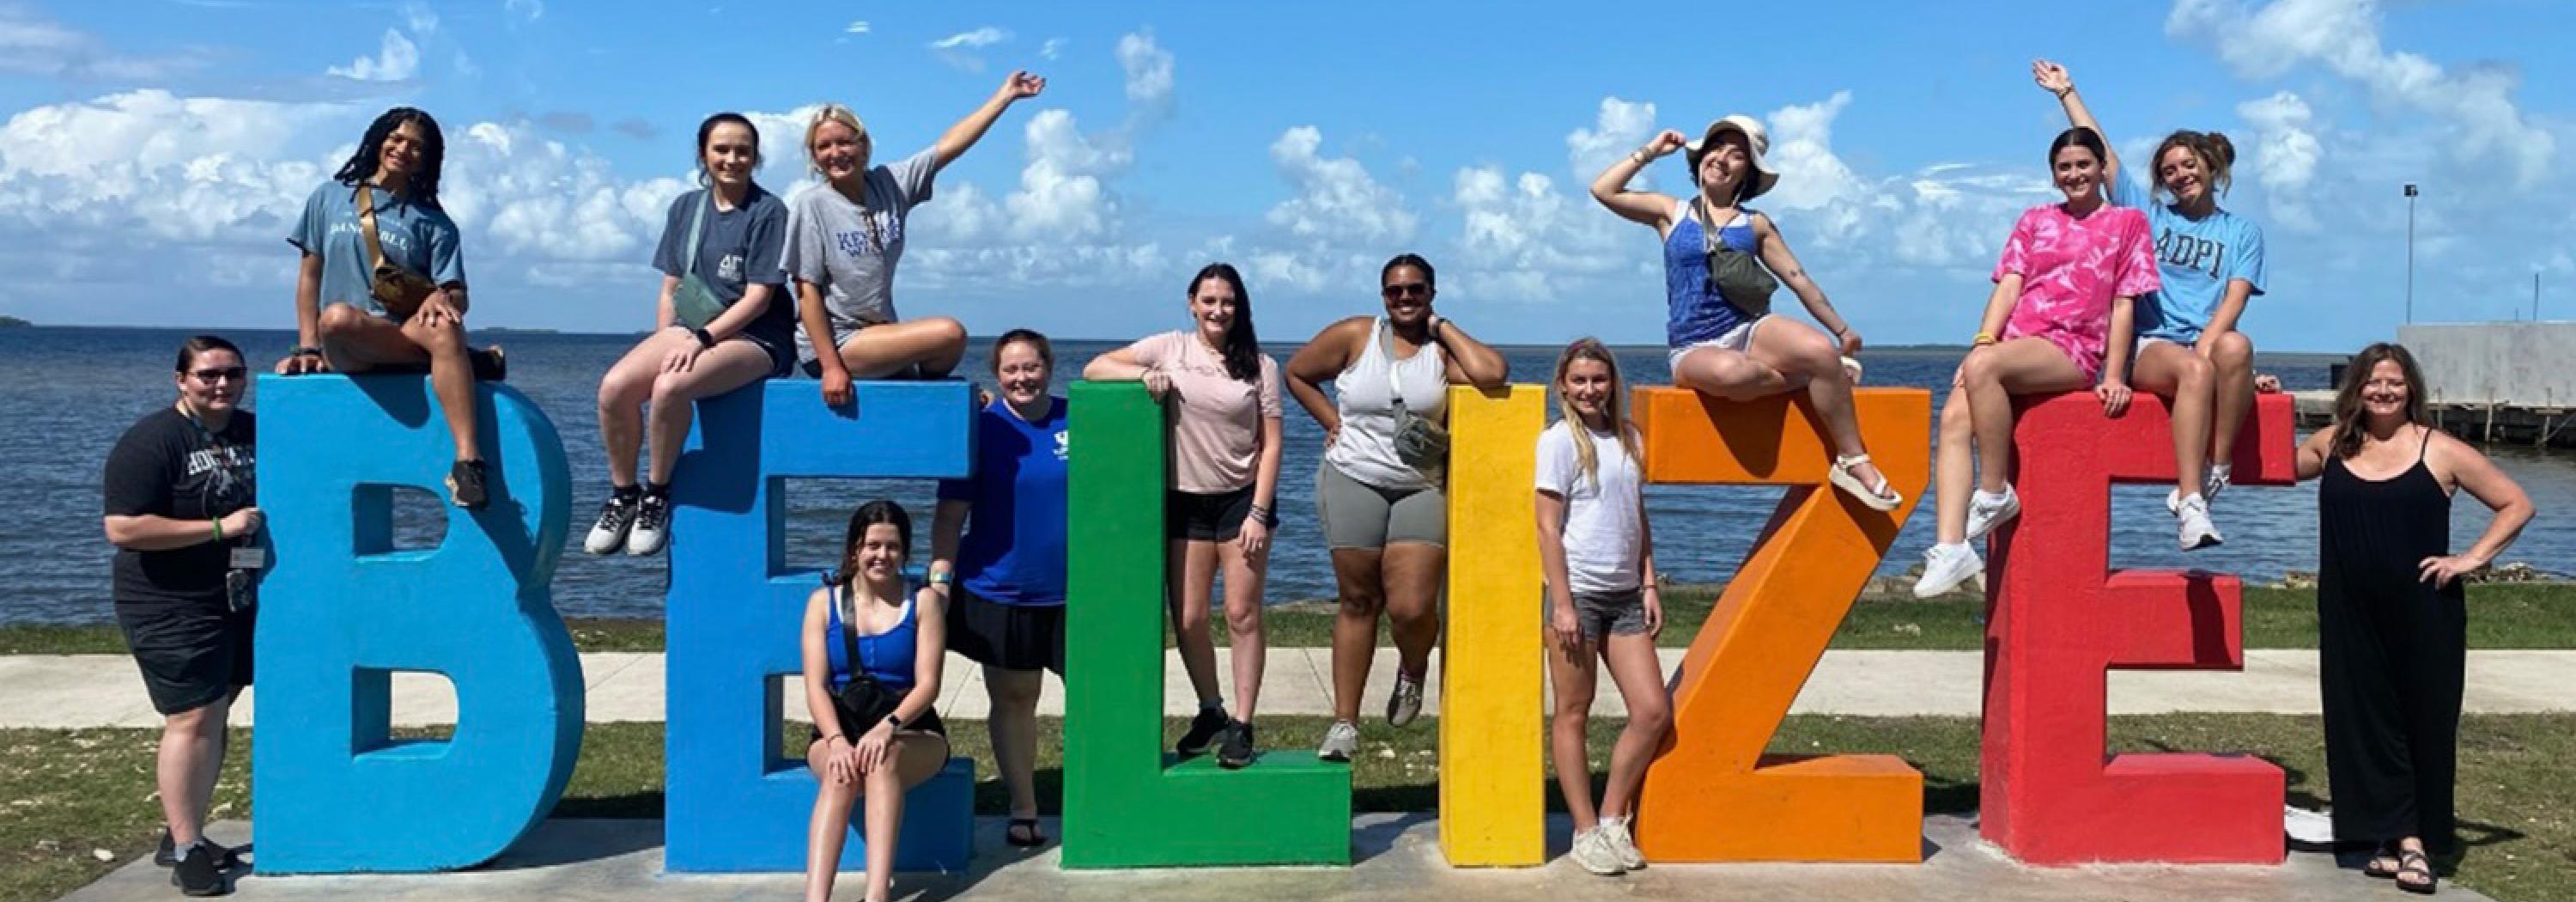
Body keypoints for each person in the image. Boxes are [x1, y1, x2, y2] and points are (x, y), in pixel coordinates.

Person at [2294, 344, 2531, 896]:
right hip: (2348, 610)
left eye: (2395, 382)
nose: (2383, 391)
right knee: (2360, 723)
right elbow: (2271, 469)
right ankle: (2387, 836)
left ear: (2411, 389)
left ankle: (2414, 843)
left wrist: (2470, 560)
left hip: (2424, 610)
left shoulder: (2439, 449)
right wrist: (2253, 396)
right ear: (2355, 388)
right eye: (2373, 382)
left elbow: (2516, 503)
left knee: (2420, 724)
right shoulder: (2332, 444)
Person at [1589, 113, 1900, 512]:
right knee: (1734, 373)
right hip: (1694, 346)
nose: (1721, 158)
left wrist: (1842, 330)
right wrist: (1651, 151)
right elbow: (1604, 190)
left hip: (1750, 331)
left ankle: (1854, 460)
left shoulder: (1755, 225)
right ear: (1700, 158)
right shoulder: (1671, 212)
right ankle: (1811, 381)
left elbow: (1798, 278)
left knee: (1820, 350)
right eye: (1715, 148)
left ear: (1747, 173)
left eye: (1736, 155)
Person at [1913, 127, 2159, 598]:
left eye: (2084, 165)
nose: (2074, 174)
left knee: (1984, 368)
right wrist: (1984, 340)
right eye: (2064, 168)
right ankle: (1951, 548)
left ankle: (1995, 490)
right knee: (1953, 417)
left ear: (2100, 167)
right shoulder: (2035, 219)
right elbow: (2009, 285)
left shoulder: (2127, 224)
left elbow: (2123, 304)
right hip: (2015, 344)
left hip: (2073, 346)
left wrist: (2113, 374)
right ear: (2053, 175)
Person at [1282, 253, 1507, 761]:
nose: (1405, 299)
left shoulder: (1440, 349)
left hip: (1420, 486)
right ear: (1383, 296)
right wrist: (1329, 421)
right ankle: (1344, 723)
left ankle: (1413, 668)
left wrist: (1443, 327)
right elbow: (1297, 373)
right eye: (1395, 291)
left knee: (1411, 607)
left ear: (1431, 293)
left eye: (1416, 290)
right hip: (1352, 478)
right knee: (1358, 601)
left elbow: (1493, 373)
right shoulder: (1356, 335)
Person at [2038, 59, 2269, 546]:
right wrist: (2067, 93)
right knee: (2198, 369)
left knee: (2237, 348)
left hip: (2205, 344)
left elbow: (2234, 300)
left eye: (2188, 165)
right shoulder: (2148, 215)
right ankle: (2189, 504)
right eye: (2169, 171)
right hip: (2154, 345)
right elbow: (2106, 157)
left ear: (2210, 166)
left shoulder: (2242, 231)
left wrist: (2212, 355)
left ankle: (2216, 470)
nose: (2181, 175)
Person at [1083, 263, 1284, 770]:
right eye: (1209, 300)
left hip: (1242, 501)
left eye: (1228, 302)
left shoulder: (1260, 366)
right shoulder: (1169, 346)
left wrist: (1259, 512)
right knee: (1190, 618)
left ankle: (1243, 723)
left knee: (1241, 615)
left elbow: (1272, 443)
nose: (1218, 310)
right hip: (1185, 501)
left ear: (1240, 308)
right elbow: (1094, 368)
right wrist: (1146, 374)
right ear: (1192, 302)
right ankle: (1211, 710)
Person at [586, 113, 796, 558]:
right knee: (614, 389)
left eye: (743, 150)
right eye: (722, 149)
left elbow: (759, 298)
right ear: (703, 153)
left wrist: (699, 341)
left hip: (757, 337)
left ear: (756, 157)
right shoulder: (686, 207)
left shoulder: (769, 212)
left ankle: (657, 495)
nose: (732, 159)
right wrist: (667, 340)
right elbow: (671, 287)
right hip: (692, 328)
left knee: (671, 386)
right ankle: (624, 495)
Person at [276, 107, 504, 509]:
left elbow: (459, 297)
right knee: (338, 318)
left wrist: (441, 296)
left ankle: (469, 461)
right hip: (350, 338)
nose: (403, 150)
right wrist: (308, 348)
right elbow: (310, 276)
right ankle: (463, 363)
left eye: (416, 147)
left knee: (446, 326)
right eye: (396, 139)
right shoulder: (329, 198)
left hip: (402, 333)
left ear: (428, 159)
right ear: (378, 140)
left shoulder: (435, 222)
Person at [103, 336, 261, 896]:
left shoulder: (251, 431)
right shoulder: (152, 442)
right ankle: (189, 849)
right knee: (191, 718)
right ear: (181, 380)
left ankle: (179, 832)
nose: (222, 384)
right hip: (168, 600)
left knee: (215, 712)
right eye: (208, 375)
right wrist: (219, 529)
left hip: (236, 595)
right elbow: (123, 528)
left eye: (234, 373)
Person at [788, 71, 1045, 405]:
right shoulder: (813, 205)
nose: (836, 152)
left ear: (864, 145)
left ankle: (931, 392)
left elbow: (949, 146)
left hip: (880, 333)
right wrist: (831, 367)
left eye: (844, 142)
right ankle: (930, 388)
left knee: (950, 347)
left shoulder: (890, 184)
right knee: (949, 332)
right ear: (814, 156)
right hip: (835, 343)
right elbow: (806, 293)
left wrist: (1004, 98)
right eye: (824, 146)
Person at [928, 330, 1068, 848]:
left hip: (1079, 595)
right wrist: (940, 579)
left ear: (1049, 367)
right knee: (1014, 697)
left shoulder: (1079, 420)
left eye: (1031, 367)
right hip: (1000, 589)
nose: (1022, 378)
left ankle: (1101, 799)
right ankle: (1024, 806)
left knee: (1100, 699)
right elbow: (948, 515)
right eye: (1011, 370)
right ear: (996, 374)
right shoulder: (982, 428)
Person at [1534, 338, 1669, 876]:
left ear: (1612, 382)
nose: (1590, 390)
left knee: (1653, 710)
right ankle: (1584, 830)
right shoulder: (1559, 441)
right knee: (1573, 711)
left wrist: (1650, 583)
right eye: (1579, 381)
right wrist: (1562, 603)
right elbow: (1547, 525)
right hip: (1579, 595)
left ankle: (1614, 816)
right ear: (1563, 386)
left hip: (1625, 596)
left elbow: (1636, 514)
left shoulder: (1629, 437)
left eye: (1598, 379)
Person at [801, 501, 951, 902]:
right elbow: (815, 686)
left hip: (909, 728)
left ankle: (876, 894)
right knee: (840, 773)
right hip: (840, 726)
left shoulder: (924, 603)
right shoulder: (822, 602)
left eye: (893, 547)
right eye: (872, 546)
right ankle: (816, 897)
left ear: (904, 552)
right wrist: (835, 741)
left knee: (883, 760)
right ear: (854, 550)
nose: (882, 555)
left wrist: (888, 727)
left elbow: (928, 685)